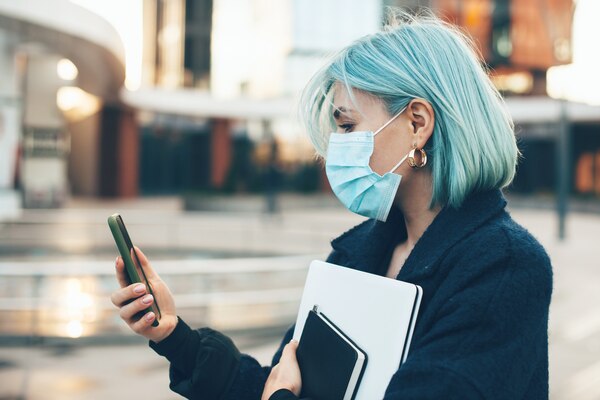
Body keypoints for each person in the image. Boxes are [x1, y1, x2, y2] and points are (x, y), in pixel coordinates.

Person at [110, 10, 552, 400]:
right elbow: (280, 381)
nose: (333, 150)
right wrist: (174, 335)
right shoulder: (358, 253)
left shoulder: (504, 268)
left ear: (417, 124)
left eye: (347, 126)